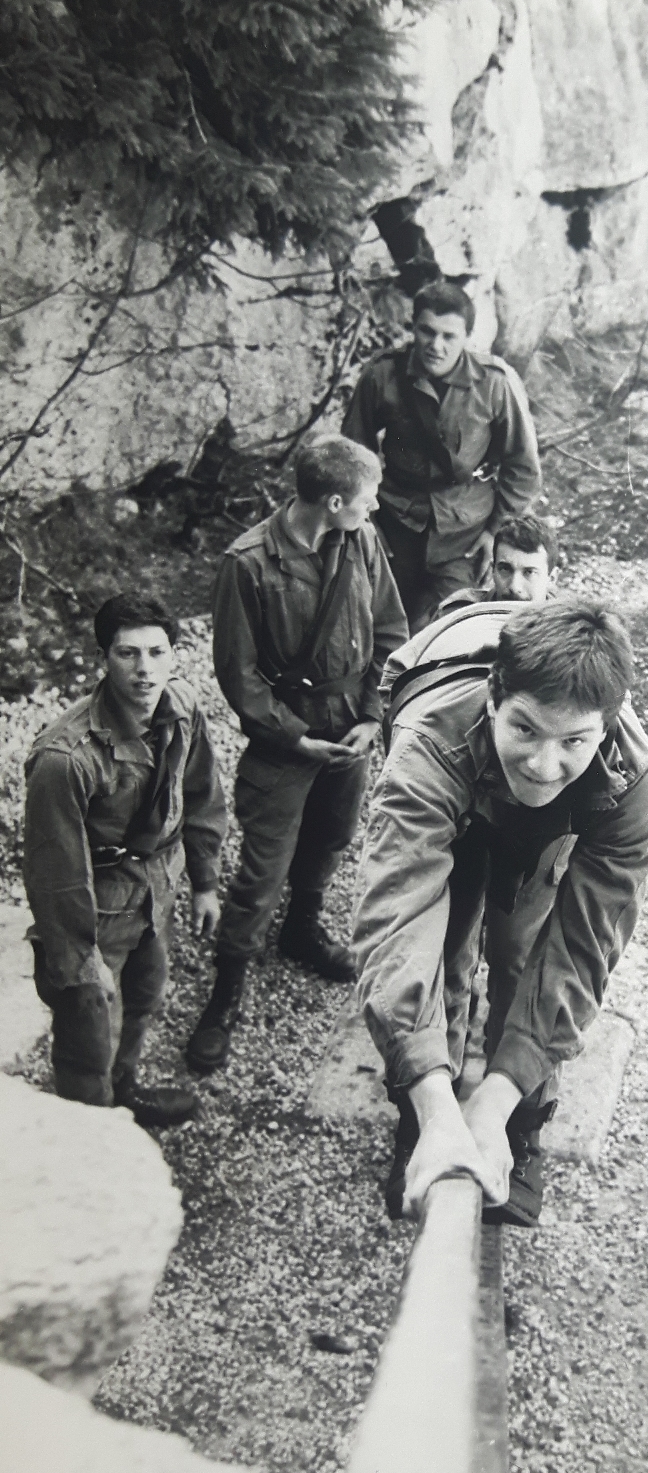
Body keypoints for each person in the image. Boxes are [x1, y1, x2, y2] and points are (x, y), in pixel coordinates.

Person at [351, 598, 648, 1226]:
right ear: (495, 700)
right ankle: (419, 1121)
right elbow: (398, 917)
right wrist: (441, 1113)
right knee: (440, 950)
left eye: (573, 740)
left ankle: (520, 1130)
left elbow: (581, 949)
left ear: (606, 729)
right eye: (525, 729)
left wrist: (493, 1106)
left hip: (549, 830)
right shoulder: (426, 746)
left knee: (523, 952)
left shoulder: (635, 786)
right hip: (456, 800)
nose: (544, 764)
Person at [186, 435, 407, 1073]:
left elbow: (390, 631)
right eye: (367, 498)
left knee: (332, 837)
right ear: (334, 501)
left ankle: (302, 930)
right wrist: (289, 735)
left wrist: (372, 716)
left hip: (350, 729)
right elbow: (239, 671)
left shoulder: (360, 539)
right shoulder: (248, 563)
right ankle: (226, 990)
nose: (375, 508)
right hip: (287, 737)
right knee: (261, 869)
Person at [23, 593, 227, 1126]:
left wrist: (204, 881)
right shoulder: (64, 758)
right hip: (95, 904)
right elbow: (55, 874)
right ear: (103, 658)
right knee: (87, 1037)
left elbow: (202, 793)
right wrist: (81, 958)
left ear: (174, 655)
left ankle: (124, 1092)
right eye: (128, 654)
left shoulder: (181, 707)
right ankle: (88, 1142)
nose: (145, 670)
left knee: (143, 999)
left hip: (156, 887)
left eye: (157, 653)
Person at [342, 279, 542, 631]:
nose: (436, 346)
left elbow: (523, 467)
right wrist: (366, 524)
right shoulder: (383, 375)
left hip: (464, 535)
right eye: (427, 332)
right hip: (395, 526)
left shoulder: (494, 383)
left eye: (449, 336)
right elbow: (353, 454)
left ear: (467, 336)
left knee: (443, 632)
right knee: (377, 628)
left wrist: (495, 531)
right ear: (413, 328)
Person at [435, 513, 559, 617]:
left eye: (529, 572)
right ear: (492, 570)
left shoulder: (567, 628)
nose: (514, 587)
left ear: (552, 579)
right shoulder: (459, 613)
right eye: (505, 569)